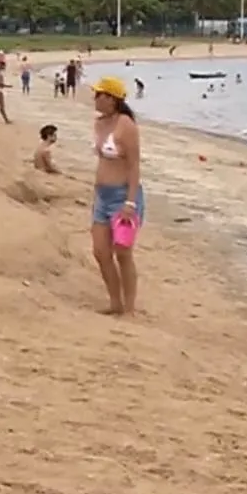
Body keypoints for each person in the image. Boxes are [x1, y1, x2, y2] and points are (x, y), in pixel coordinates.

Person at [89, 77, 145, 317]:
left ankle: (129, 308)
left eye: (99, 95)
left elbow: (134, 166)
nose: (95, 99)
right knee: (101, 252)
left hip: (123, 196)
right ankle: (115, 301)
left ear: (112, 99)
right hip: (102, 196)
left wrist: (130, 202)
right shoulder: (99, 123)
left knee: (123, 252)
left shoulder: (126, 125)